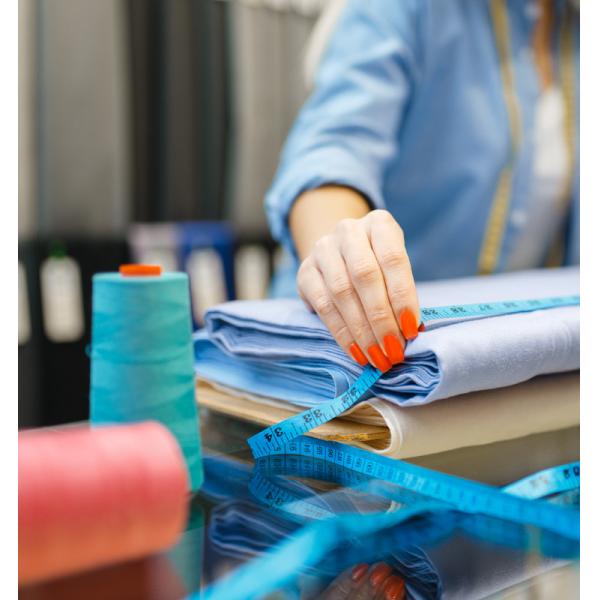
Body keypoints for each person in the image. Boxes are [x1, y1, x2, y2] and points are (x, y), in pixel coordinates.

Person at [265, 0, 579, 373]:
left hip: (504, 358)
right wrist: (342, 250)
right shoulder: (404, 8)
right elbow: (335, 145)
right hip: (349, 350)